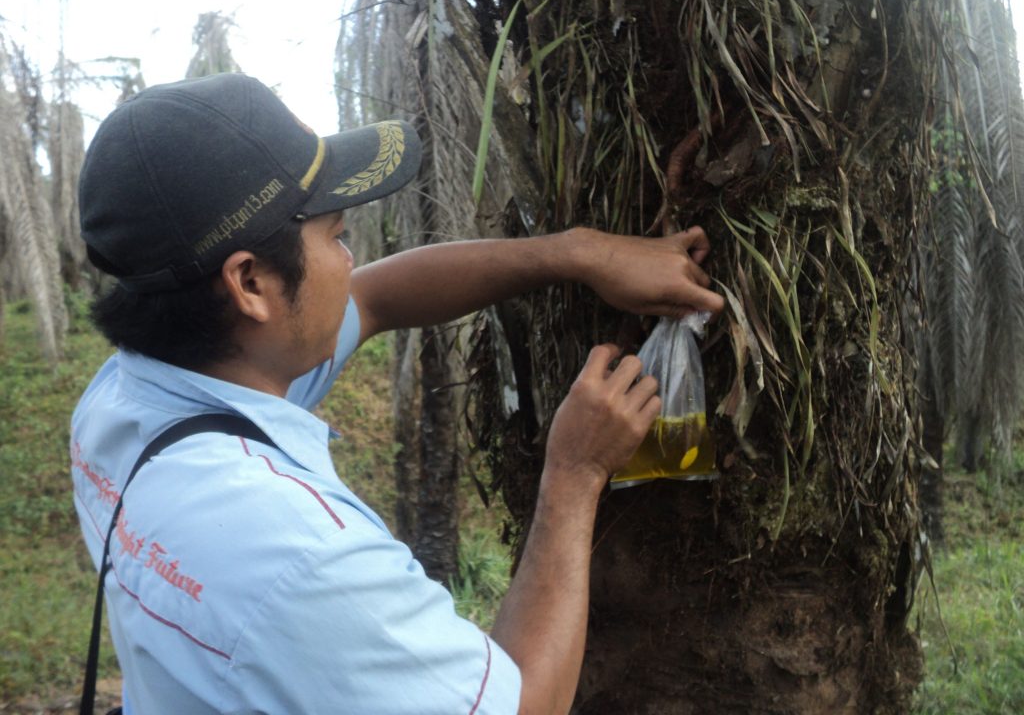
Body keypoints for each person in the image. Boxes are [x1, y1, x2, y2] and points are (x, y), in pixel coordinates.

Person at [71, 73, 723, 715]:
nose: (351, 261)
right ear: (249, 284)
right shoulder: (298, 556)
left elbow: (378, 297)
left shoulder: (127, 402)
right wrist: (576, 473)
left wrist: (580, 254)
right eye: (336, 235)